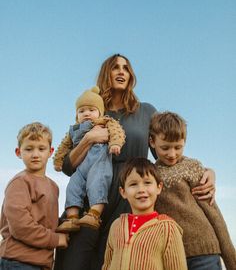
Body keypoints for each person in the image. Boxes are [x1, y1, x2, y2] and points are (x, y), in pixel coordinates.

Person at [54, 53, 216, 270]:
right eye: (115, 67)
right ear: (105, 74)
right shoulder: (92, 111)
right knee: (74, 262)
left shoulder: (146, 111)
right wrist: (89, 140)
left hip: (127, 194)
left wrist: (206, 171)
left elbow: (167, 149)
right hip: (90, 196)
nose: (122, 71)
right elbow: (67, 166)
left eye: (126, 68)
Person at [149, 111, 236, 270]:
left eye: (178, 147)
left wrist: (231, 260)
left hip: (205, 253)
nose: (172, 154)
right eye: (165, 147)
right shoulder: (150, 175)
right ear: (152, 142)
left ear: (185, 142)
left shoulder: (192, 167)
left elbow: (213, 212)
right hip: (171, 256)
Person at [54, 86, 125, 232]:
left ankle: (94, 214)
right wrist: (58, 161)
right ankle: (72, 218)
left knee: (97, 182)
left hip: (99, 162)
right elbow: (63, 146)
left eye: (91, 110)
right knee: (73, 186)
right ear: (76, 115)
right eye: (82, 111)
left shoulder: (105, 122)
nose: (86, 114)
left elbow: (117, 131)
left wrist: (116, 143)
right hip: (80, 167)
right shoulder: (73, 130)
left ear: (100, 112)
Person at [0, 122, 69, 270]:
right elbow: (21, 226)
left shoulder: (53, 186)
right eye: (29, 149)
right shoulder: (20, 182)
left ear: (50, 151)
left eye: (41, 149)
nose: (35, 154)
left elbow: (47, 222)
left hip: (42, 263)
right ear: (19, 152)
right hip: (18, 261)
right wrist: (56, 239)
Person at [102, 157, 188, 270]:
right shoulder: (116, 226)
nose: (141, 189)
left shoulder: (168, 228)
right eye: (133, 184)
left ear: (159, 187)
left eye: (147, 183)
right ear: (123, 192)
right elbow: (107, 265)